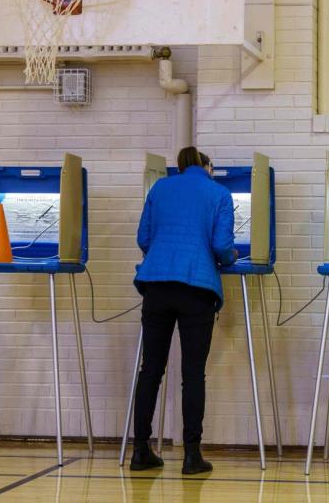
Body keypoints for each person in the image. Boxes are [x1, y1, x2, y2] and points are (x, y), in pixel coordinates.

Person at [131, 146, 236, 474]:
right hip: (197, 287)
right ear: (207, 166)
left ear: (178, 166)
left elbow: (144, 238)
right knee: (192, 373)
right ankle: (192, 455)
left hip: (157, 285)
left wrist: (166, 255)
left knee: (151, 369)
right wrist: (230, 257)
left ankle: (140, 452)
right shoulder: (218, 192)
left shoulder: (160, 187)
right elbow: (220, 246)